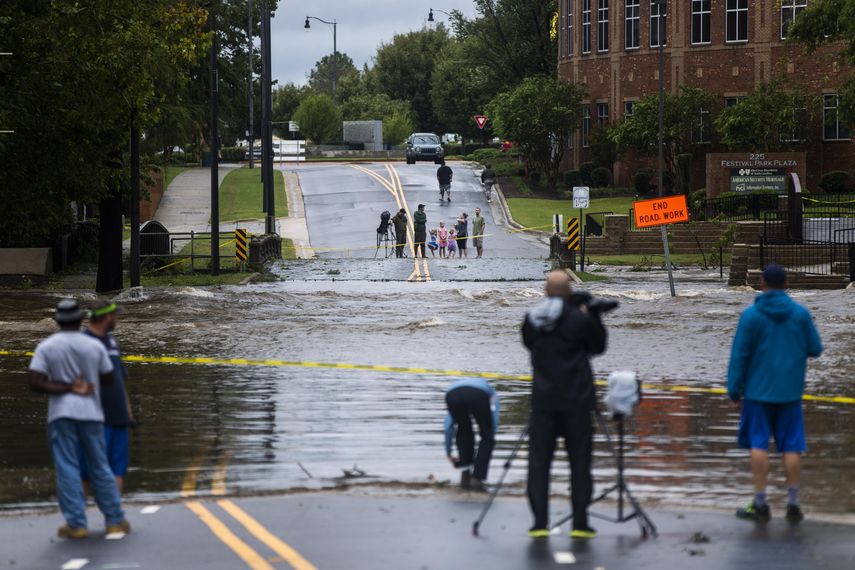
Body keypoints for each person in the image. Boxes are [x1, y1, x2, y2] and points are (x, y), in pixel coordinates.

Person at [727, 265, 822, 524]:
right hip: (790, 392)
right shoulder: (800, 314)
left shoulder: (751, 316)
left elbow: (740, 356)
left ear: (762, 283)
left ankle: (760, 504)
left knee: (759, 444)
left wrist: (734, 389)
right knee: (792, 446)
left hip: (757, 393)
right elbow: (815, 348)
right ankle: (793, 503)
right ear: (786, 283)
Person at [28, 299, 130, 539]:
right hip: (92, 414)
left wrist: (66, 386)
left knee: (67, 468)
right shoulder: (94, 346)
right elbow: (108, 378)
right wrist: (85, 384)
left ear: (57, 321)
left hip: (61, 414)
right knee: (101, 467)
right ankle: (114, 520)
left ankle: (76, 523)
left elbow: (35, 381)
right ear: (80, 319)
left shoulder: (47, 347)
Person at [522, 271, 607, 539]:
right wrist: (593, 314)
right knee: (580, 463)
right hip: (578, 400)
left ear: (545, 292)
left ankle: (539, 523)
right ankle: (580, 524)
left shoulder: (532, 320)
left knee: (538, 463)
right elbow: (598, 346)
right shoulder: (580, 320)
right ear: (569, 293)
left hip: (544, 401)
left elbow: (528, 345)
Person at [80, 300, 133, 495]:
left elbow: (120, 378)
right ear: (106, 316)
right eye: (114, 315)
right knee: (87, 470)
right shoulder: (84, 344)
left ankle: (115, 517)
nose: (116, 319)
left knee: (118, 468)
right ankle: (81, 518)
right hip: (94, 418)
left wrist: (128, 410)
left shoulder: (111, 342)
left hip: (118, 416)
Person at [444, 378, 500, 492]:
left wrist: (448, 451)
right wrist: (489, 435)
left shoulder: (455, 387)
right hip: (478, 395)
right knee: (487, 437)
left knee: (464, 432)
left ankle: (465, 474)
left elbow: (448, 426)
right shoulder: (491, 390)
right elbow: (494, 416)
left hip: (451, 395)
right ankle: (477, 479)